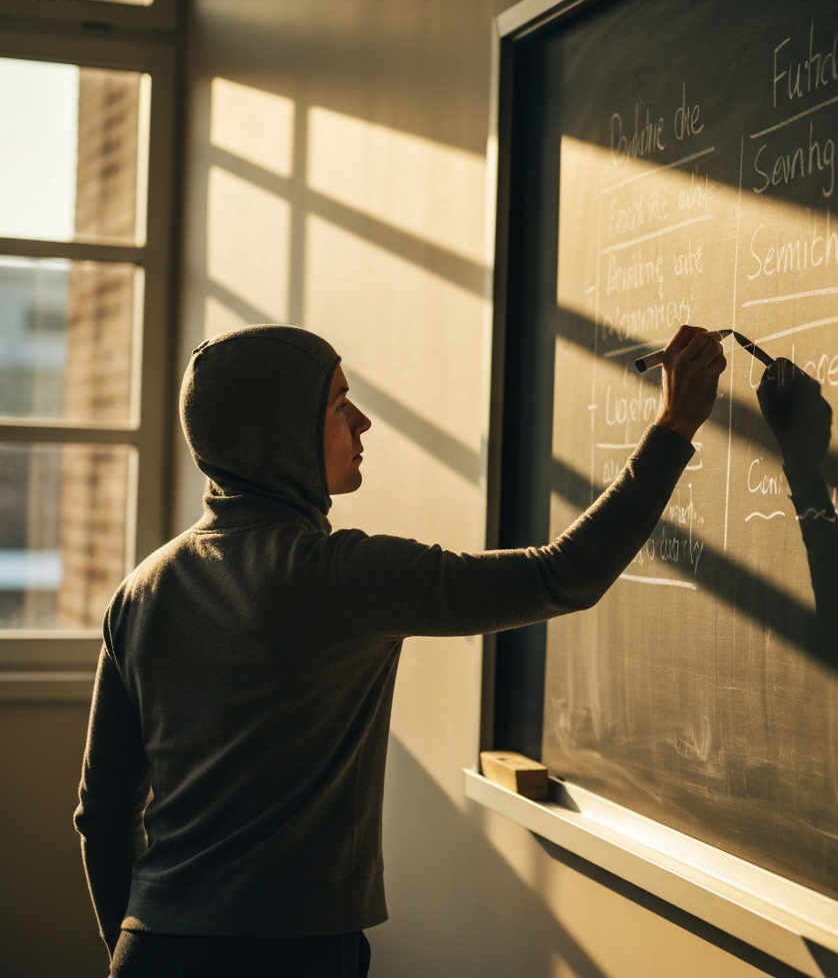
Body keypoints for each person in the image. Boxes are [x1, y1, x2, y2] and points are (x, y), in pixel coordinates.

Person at [74, 322, 725, 978]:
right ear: (282, 435)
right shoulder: (340, 577)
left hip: (150, 945)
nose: (362, 423)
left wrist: (128, 953)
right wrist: (673, 425)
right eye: (337, 406)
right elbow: (563, 576)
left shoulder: (141, 591)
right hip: (289, 956)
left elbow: (102, 818)